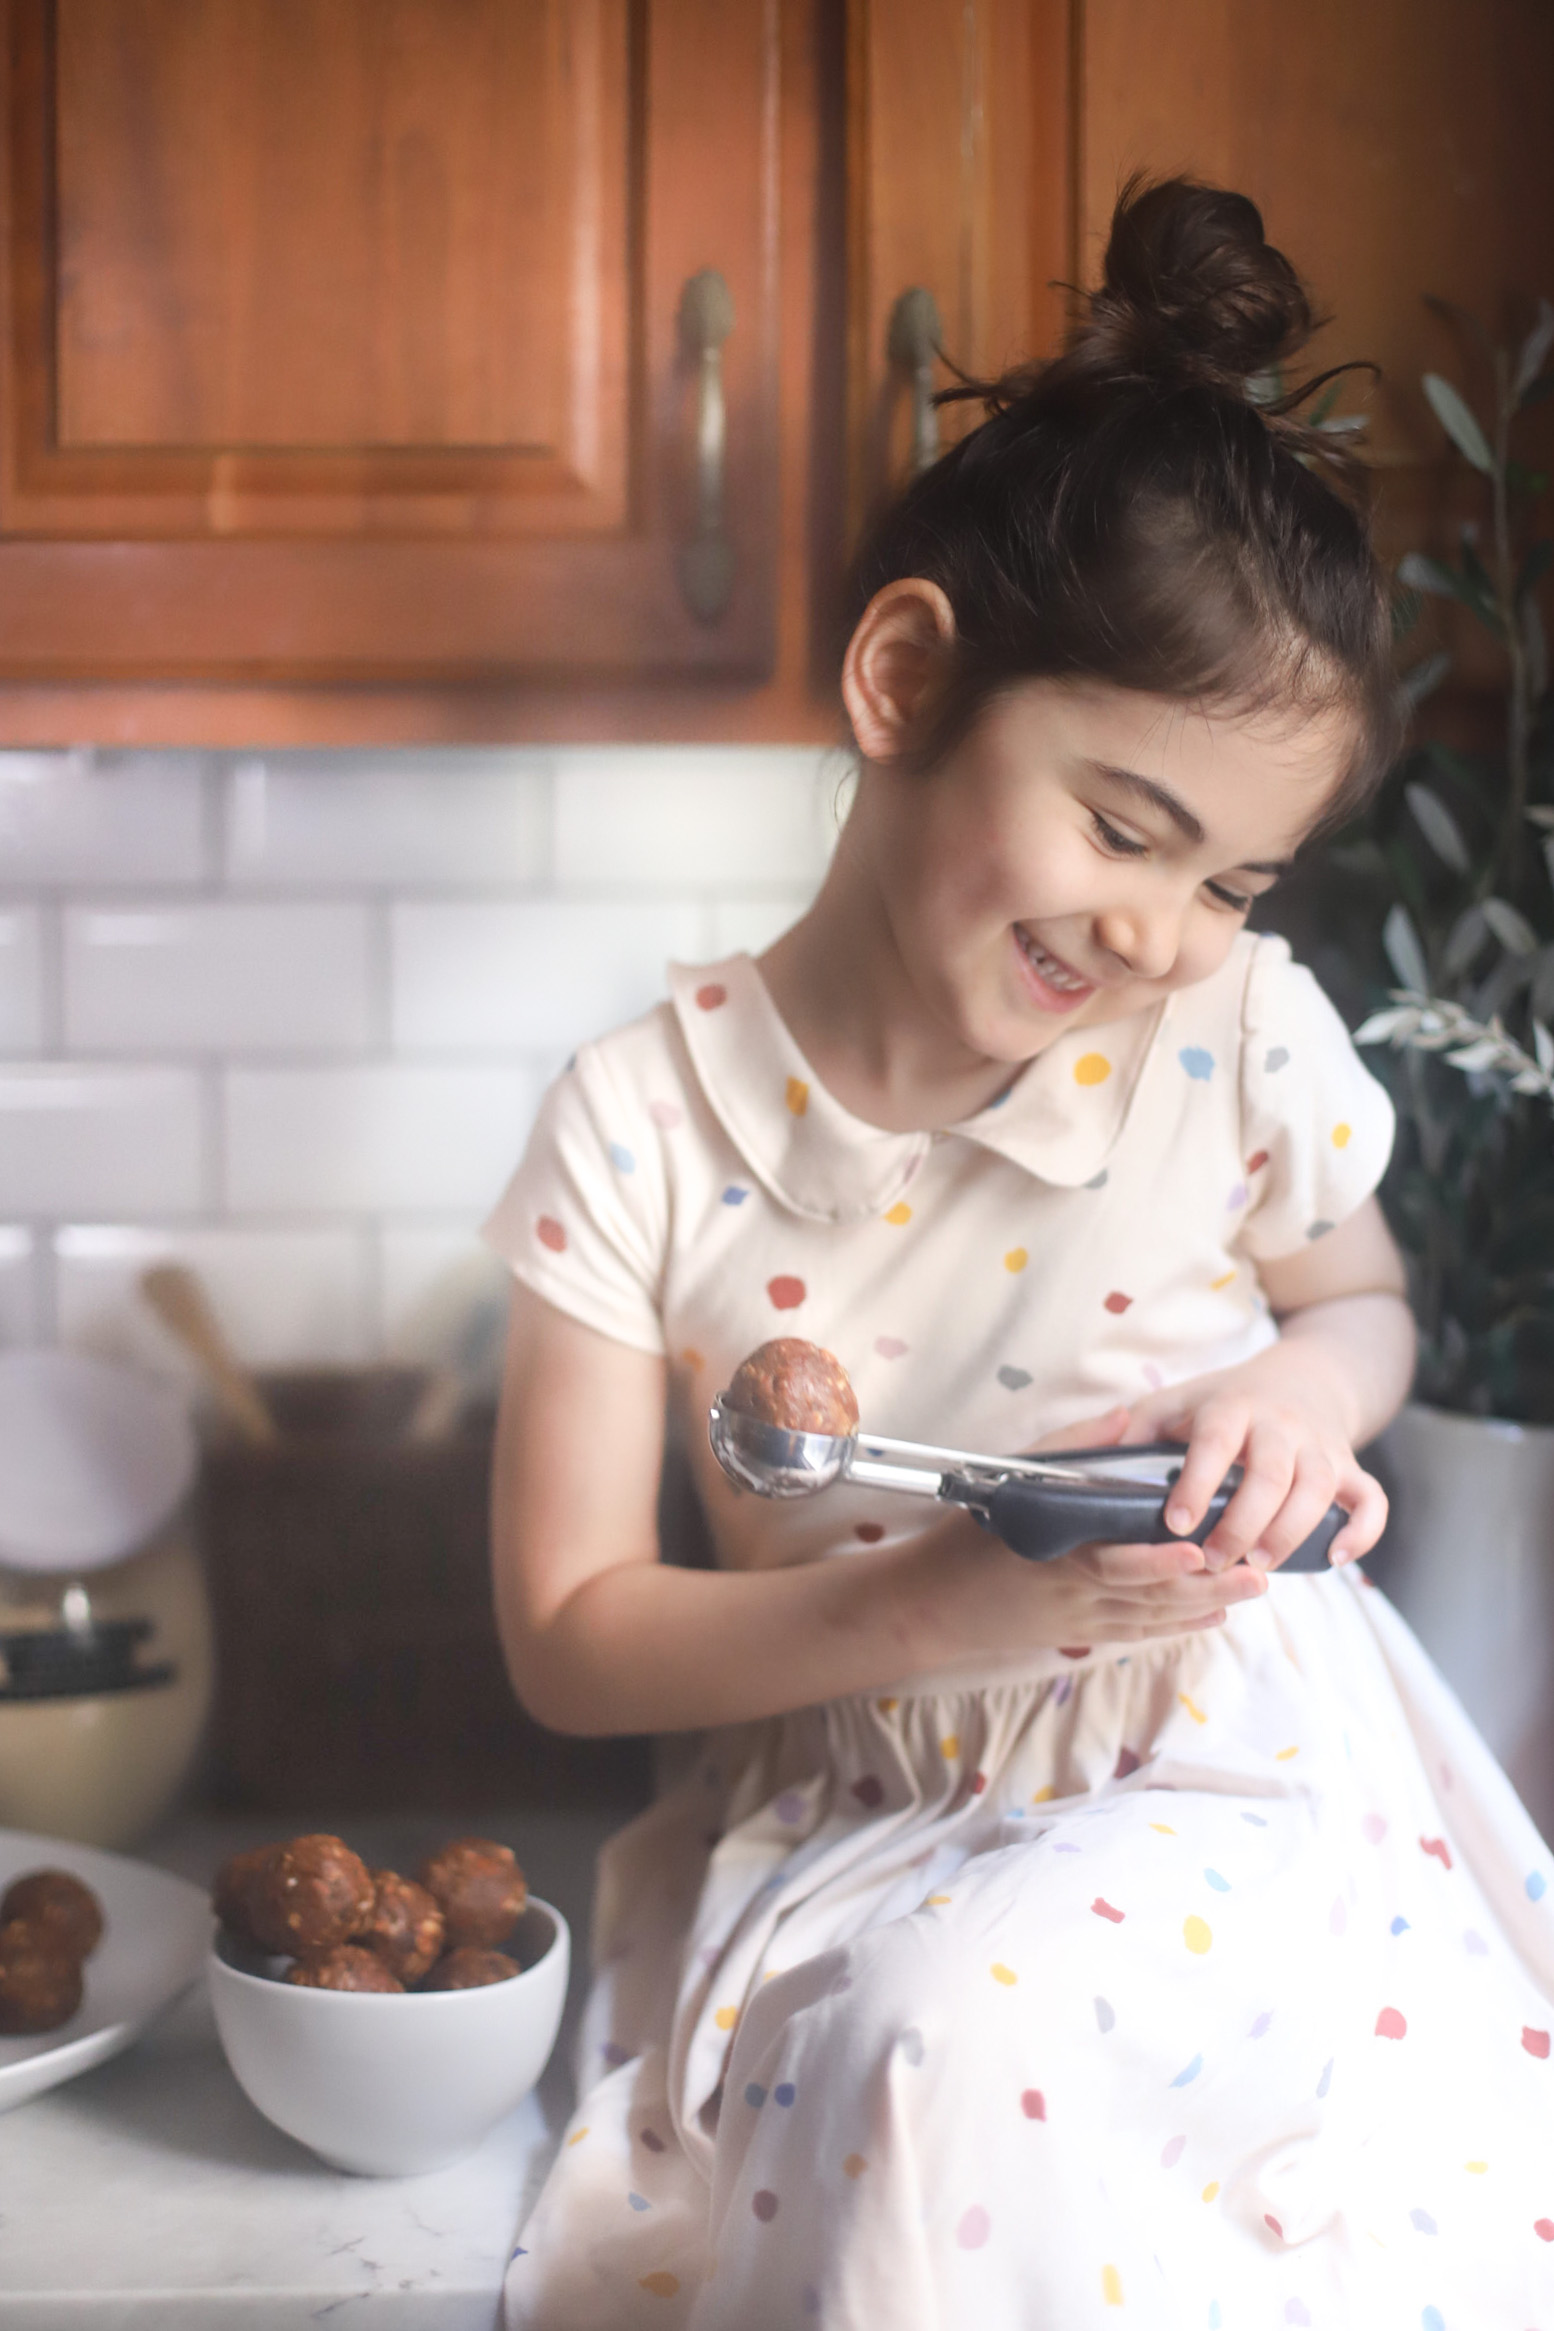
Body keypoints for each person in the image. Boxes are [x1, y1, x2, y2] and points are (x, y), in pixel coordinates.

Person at [485, 178, 1554, 2329]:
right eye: (1125, 827)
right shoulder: (639, 1126)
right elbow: (571, 1639)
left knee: (991, 2049)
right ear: (905, 681)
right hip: (848, 1814)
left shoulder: (1231, 1032)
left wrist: (1294, 1387)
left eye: (1233, 877)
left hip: (1227, 1768)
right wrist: (935, 1599)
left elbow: (1362, 1307)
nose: (1160, 934)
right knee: (918, 2051)